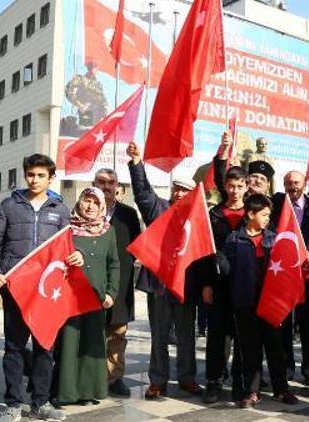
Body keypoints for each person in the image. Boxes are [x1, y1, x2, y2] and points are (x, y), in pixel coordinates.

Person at [0, 154, 78, 422]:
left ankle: (41, 402)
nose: (34, 180)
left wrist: (77, 255)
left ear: (51, 178)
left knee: (45, 348)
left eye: (40, 175)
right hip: (16, 290)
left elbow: (68, 246)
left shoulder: (60, 210)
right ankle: (12, 404)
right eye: (31, 175)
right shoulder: (8, 206)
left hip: (47, 293)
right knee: (14, 347)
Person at [126, 142, 203, 400]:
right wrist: (137, 163)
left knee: (186, 335)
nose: (180, 194)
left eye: (185, 191)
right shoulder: (158, 209)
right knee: (159, 335)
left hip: (185, 284)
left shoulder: (197, 217)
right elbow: (143, 193)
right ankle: (157, 380)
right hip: (159, 283)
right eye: (177, 190)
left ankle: (187, 378)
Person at [220, 194, 298, 408]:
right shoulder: (234, 239)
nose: (267, 219)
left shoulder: (273, 239)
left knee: (275, 348)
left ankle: (281, 390)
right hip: (245, 304)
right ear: (250, 214)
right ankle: (252, 391)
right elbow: (226, 272)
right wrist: (219, 260)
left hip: (271, 304)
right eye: (263, 214)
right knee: (249, 350)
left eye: (269, 215)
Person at [54, 187, 120, 405]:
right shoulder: (67, 229)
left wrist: (111, 292)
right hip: (69, 297)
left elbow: (114, 263)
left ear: (102, 206)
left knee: (93, 344)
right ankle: (65, 393)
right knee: (69, 343)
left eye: (94, 202)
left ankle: (88, 392)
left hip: (96, 297)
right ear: (79, 203)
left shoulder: (108, 231)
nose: (90, 206)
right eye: (86, 201)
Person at [91, 168, 141, 398]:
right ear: (94, 184)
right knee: (93, 333)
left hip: (121, 284)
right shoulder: (84, 211)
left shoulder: (128, 215)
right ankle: (90, 379)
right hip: (91, 284)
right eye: (101, 182)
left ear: (117, 187)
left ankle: (114, 378)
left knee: (117, 333)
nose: (106, 186)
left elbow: (137, 248)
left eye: (111, 182)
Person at [201, 166, 248, 403]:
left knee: (242, 335)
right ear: (225, 186)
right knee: (217, 336)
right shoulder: (214, 214)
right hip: (219, 283)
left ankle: (239, 382)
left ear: (246, 187)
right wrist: (207, 284)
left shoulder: (253, 212)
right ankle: (214, 380)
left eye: (240, 186)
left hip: (245, 284)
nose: (235, 191)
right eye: (231, 186)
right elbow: (206, 251)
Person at [272, 171, 309, 385]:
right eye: (288, 183)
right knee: (284, 324)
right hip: (283, 273)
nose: (292, 186)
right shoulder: (277, 206)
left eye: (296, 182)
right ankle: (286, 368)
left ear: (304, 184)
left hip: (307, 274)